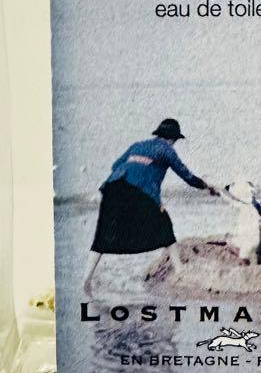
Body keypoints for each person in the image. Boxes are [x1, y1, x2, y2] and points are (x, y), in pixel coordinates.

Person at [83, 118, 219, 294]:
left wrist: (139, 164)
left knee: (103, 235)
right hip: (136, 191)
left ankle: (86, 279)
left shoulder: (138, 145)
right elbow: (186, 175)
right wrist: (206, 186)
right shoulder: (166, 149)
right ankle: (179, 269)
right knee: (164, 224)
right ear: (173, 138)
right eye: (176, 140)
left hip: (112, 188)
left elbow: (116, 165)